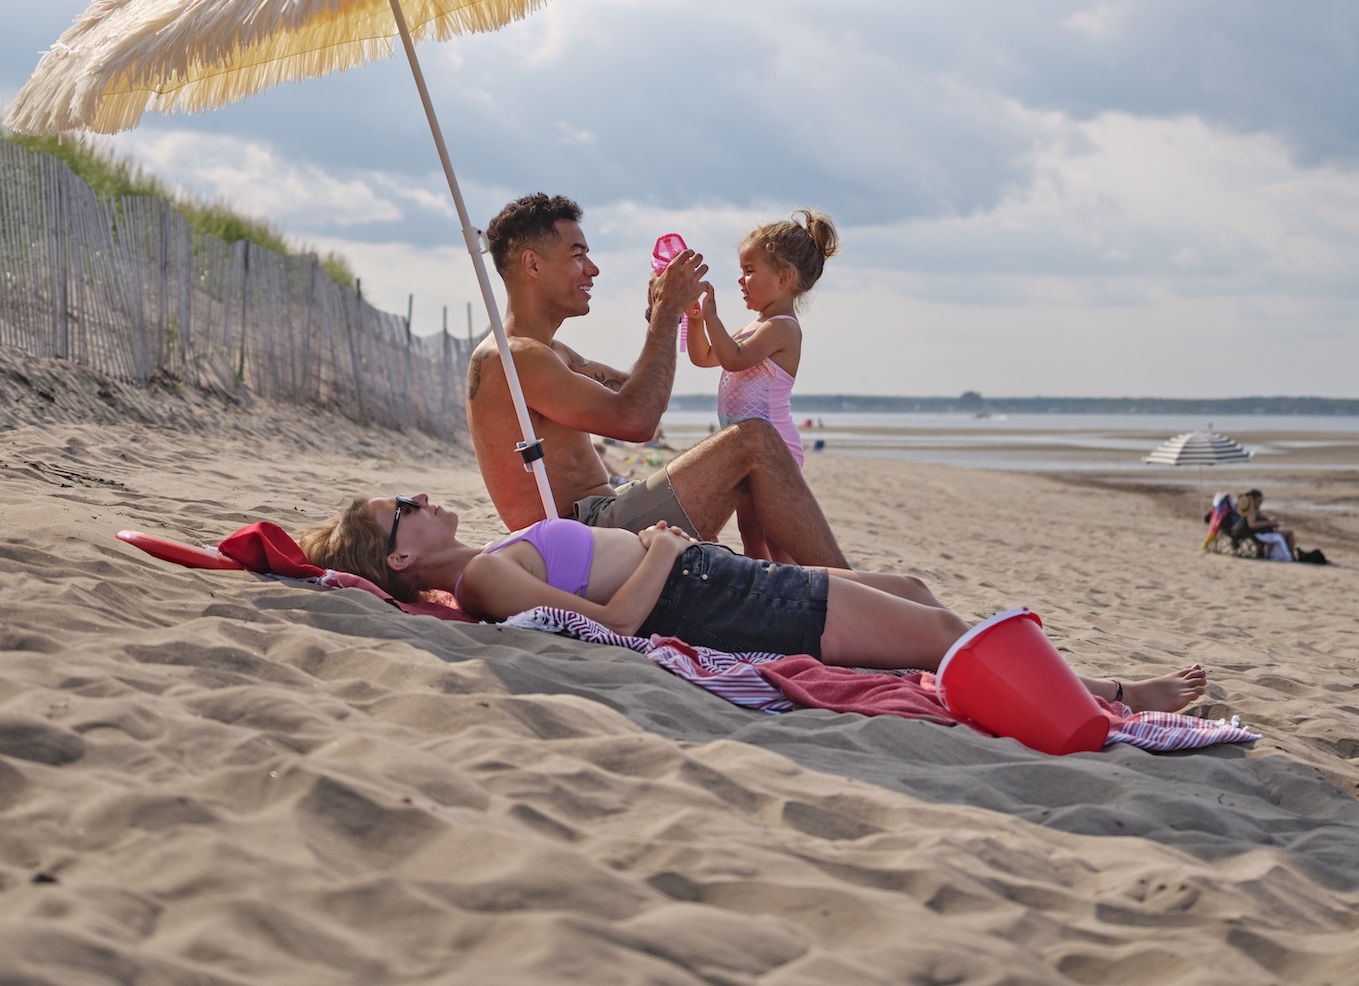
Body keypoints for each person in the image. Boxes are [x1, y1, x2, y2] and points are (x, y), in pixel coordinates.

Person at [300, 490, 1208, 713]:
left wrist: (665, 555)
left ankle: (1076, 686)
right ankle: (1111, 695)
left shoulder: (485, 562)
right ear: (404, 551)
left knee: (916, 594)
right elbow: (613, 628)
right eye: (403, 509)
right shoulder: (481, 580)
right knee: (934, 632)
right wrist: (660, 550)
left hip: (714, 582)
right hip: (708, 595)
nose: (419, 499)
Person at [466, 193, 850, 564]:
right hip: (584, 538)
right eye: (578, 255)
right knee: (754, 439)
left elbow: (635, 389)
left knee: (751, 448)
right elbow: (637, 420)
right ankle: (843, 587)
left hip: (606, 517)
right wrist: (667, 314)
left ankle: (817, 583)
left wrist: (659, 315)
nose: (594, 269)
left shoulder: (551, 353)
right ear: (532, 265)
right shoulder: (513, 357)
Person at [685, 209, 834, 558]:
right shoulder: (754, 326)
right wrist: (695, 321)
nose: (741, 279)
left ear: (784, 278)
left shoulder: (782, 327)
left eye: (749, 271)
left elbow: (733, 358)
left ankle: (787, 584)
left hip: (775, 449)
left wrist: (712, 316)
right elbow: (705, 356)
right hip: (746, 449)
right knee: (749, 528)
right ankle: (762, 584)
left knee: (774, 533)